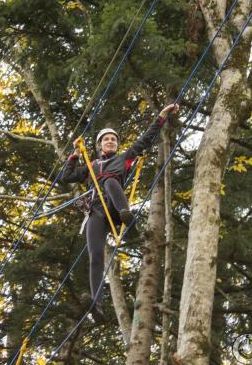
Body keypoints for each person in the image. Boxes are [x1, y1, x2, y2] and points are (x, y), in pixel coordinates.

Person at [61, 103, 179, 320]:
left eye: (113, 139)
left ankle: (129, 221)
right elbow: (66, 177)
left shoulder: (123, 158)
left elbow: (146, 138)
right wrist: (75, 155)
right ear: (99, 145)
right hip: (96, 212)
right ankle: (96, 305)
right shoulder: (91, 166)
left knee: (110, 182)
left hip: (117, 209)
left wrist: (161, 116)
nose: (110, 142)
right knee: (95, 256)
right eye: (106, 139)